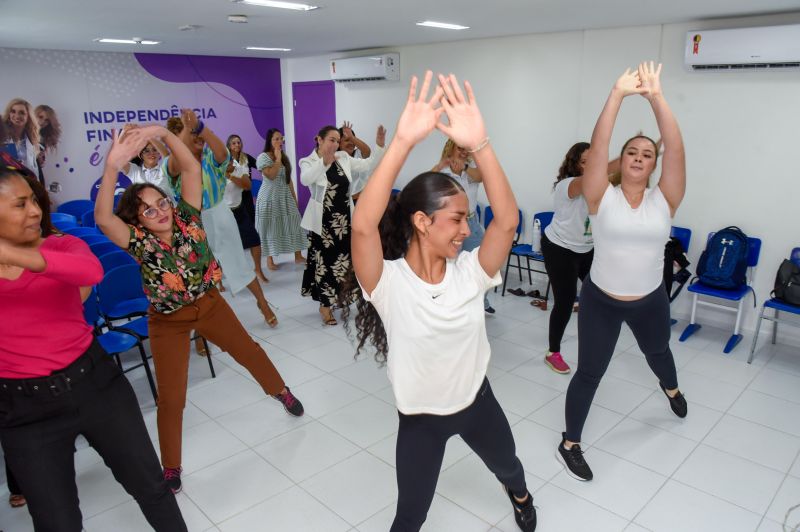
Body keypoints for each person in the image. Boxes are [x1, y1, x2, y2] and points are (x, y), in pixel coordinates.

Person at [347, 72, 536, 532]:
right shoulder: (388, 282)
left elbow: (507, 222)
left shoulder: (470, 273)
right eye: (457, 219)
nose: (467, 230)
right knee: (409, 516)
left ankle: (520, 495)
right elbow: (363, 226)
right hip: (420, 422)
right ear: (422, 221)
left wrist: (481, 144)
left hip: (477, 404)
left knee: (509, 466)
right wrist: (402, 142)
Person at [94, 124, 304, 493]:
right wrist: (112, 167)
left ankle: (280, 391)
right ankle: (171, 467)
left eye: (161, 203)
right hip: (167, 321)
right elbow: (103, 219)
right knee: (171, 398)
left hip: (209, 305)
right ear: (137, 220)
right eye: (147, 210)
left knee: (249, 352)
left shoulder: (188, 216)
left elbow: (191, 167)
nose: (159, 212)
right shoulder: (136, 240)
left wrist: (162, 132)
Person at [0, 163, 187, 531]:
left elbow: (90, 273)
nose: (35, 211)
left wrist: (11, 255)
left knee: (151, 488)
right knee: (57, 522)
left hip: (96, 385)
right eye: (20, 204)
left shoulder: (62, 245)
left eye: (33, 201)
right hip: (24, 409)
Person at [558, 62, 687, 482]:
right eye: (632, 152)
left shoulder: (665, 199)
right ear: (621, 161)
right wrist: (616, 95)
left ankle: (671, 389)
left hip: (649, 301)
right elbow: (599, 148)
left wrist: (656, 98)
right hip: (601, 301)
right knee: (589, 373)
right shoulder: (601, 196)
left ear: (653, 166)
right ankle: (570, 443)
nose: (639, 157)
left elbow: (676, 149)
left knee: (659, 353)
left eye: (647, 155)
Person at [162, 110, 278, 327]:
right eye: (191, 136)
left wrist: (199, 127)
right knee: (198, 275)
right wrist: (187, 129)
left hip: (220, 215)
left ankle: (263, 303)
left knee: (239, 264)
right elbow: (176, 162)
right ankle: (201, 328)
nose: (198, 138)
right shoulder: (172, 163)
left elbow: (223, 154)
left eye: (199, 134)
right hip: (191, 223)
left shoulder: (210, 158)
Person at [299, 123, 385, 326]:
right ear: (319, 140)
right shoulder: (308, 161)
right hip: (323, 224)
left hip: (345, 221)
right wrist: (323, 162)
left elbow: (369, 165)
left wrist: (379, 146)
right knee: (325, 265)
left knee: (345, 263)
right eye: (332, 140)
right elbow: (305, 180)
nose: (335, 144)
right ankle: (325, 306)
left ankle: (342, 299)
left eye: (337, 141)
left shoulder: (343, 158)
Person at [431, 139, 495, 314]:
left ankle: (481, 301)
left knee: (482, 264)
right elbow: (427, 181)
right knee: (450, 266)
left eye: (467, 149)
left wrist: (465, 167)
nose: (464, 152)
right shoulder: (443, 171)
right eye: (460, 148)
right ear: (451, 148)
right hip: (451, 225)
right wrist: (440, 165)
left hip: (472, 222)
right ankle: (448, 303)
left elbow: (482, 177)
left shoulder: (471, 169)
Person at [255, 129, 307, 271]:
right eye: (276, 139)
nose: (280, 142)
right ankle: (270, 260)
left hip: (285, 196)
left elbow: (288, 179)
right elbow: (271, 175)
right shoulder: (263, 157)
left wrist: (294, 198)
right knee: (270, 227)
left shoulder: (283, 156)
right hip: (269, 198)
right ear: (270, 141)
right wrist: (277, 159)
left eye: (281, 139)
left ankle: (298, 255)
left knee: (294, 223)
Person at [224, 134, 269, 283]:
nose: (237, 144)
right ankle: (226, 276)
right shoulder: (222, 163)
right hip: (227, 206)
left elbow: (254, 175)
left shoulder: (245, 159)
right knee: (229, 242)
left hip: (245, 200)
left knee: (253, 237)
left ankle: (258, 269)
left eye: (239, 142)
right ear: (229, 146)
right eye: (234, 143)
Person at [2, 98, 39, 176]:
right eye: (13, 111)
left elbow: (33, 167)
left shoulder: (31, 139)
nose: (17, 116)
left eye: (22, 113)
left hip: (26, 180)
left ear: (28, 117)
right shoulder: (2, 136)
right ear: (9, 114)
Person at [338, 121, 372, 202]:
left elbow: (367, 151)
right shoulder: (335, 158)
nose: (351, 143)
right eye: (347, 140)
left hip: (362, 199)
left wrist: (352, 138)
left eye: (352, 140)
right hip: (344, 201)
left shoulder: (358, 153)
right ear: (338, 143)